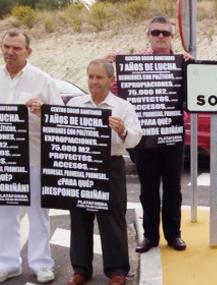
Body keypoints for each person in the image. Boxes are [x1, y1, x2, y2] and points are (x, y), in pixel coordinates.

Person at [107, 16, 189, 253]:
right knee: (148, 190)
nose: (161, 37)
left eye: (165, 33)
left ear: (172, 37)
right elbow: (115, 93)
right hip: (143, 138)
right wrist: (110, 65)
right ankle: (150, 236)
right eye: (156, 33)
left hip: (172, 136)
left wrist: (194, 67)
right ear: (148, 35)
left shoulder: (182, 63)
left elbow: (195, 95)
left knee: (173, 189)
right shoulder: (132, 64)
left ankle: (174, 235)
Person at [66, 59, 142, 285]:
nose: (94, 82)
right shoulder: (75, 103)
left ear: (111, 80)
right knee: (79, 217)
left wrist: (123, 130)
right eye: (91, 77)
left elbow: (136, 139)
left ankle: (117, 270)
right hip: (81, 166)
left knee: (112, 218)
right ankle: (80, 269)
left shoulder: (123, 107)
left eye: (99, 77)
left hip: (111, 165)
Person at [0, 29, 60, 283]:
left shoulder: (43, 80)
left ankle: (41, 264)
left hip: (35, 156)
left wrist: (43, 112)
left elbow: (60, 118)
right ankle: (8, 263)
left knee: (38, 212)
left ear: (28, 51)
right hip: (4, 158)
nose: (10, 52)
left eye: (16, 48)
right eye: (6, 47)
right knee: (5, 213)